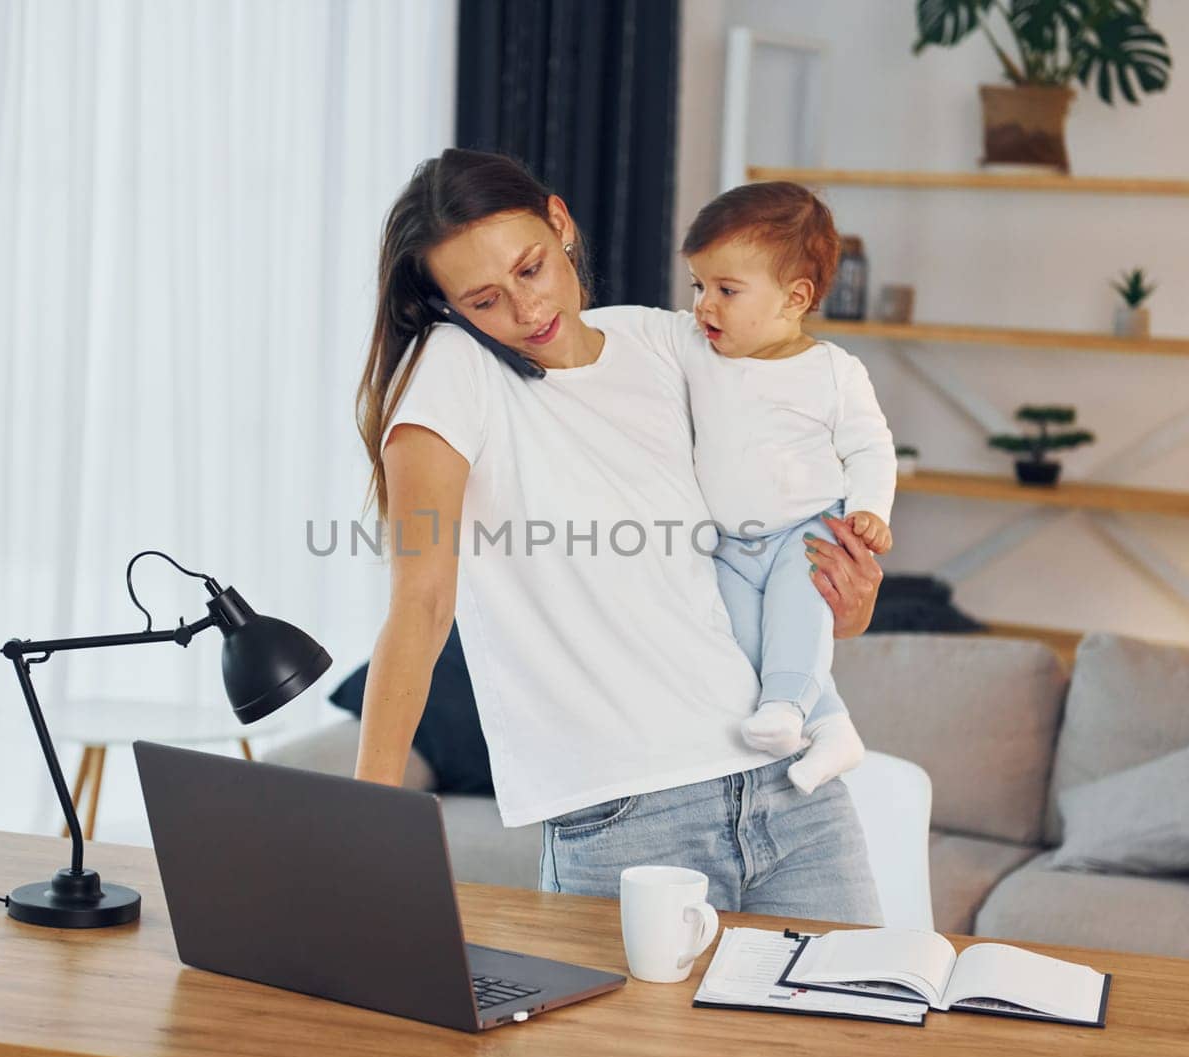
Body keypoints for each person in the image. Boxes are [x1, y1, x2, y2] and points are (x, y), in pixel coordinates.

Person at [352, 148, 885, 923]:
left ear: (560, 224)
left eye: (531, 269)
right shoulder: (455, 369)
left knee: (858, 1038)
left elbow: (769, 520)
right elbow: (422, 604)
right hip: (629, 824)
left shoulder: (666, 344)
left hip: (792, 792)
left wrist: (848, 602)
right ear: (448, 309)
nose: (525, 311)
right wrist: (364, 823)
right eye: (484, 300)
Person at [677, 181, 897, 796]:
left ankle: (788, 711)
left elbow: (871, 448)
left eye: (726, 290)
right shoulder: (698, 353)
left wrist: (870, 512)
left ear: (794, 298)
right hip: (728, 544)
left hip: (808, 530)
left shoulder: (832, 372)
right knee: (743, 637)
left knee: (797, 619)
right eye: (698, 286)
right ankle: (830, 724)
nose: (703, 306)